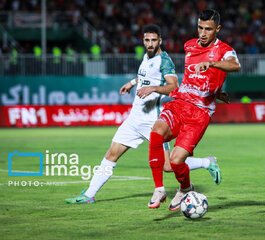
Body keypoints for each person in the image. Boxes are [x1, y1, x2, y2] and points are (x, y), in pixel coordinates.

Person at [65, 24, 222, 205]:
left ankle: (206, 162)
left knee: (168, 166)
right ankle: (89, 195)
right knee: (111, 154)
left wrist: (153, 88)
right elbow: (146, 76)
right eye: (147, 40)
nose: (150, 43)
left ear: (160, 41)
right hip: (134, 119)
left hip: (153, 122)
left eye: (153, 40)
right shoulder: (146, 57)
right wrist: (132, 82)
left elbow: (173, 85)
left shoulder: (164, 60)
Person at [148, 9, 240, 211]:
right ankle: (159, 189)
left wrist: (212, 63)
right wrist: (215, 91)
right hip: (179, 103)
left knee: (175, 162)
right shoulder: (189, 46)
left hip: (199, 113)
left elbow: (235, 66)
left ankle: (185, 188)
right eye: (200, 27)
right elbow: (195, 81)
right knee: (156, 133)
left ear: (218, 29)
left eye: (208, 29)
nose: (203, 33)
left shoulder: (224, 50)